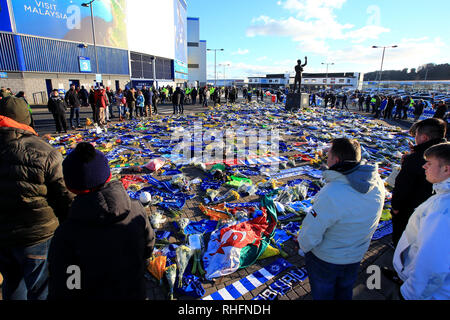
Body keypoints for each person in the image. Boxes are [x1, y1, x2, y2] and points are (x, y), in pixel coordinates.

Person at [47, 142, 155, 300]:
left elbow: (66, 284)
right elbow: (148, 246)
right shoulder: (136, 209)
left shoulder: (67, 234)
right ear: (109, 175)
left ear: (70, 187)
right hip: (134, 290)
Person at [0, 96, 74, 300]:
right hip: (37, 236)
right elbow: (64, 195)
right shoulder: (43, 152)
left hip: (3, 237)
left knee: (12, 282)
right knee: (42, 287)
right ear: (26, 119)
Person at [297, 138, 385, 300]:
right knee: (345, 291)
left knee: (323, 293)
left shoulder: (333, 192)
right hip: (356, 254)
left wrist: (304, 246)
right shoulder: (377, 181)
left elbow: (311, 232)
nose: (326, 157)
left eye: (328, 154)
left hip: (327, 258)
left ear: (336, 160)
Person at [392, 142, 450, 300]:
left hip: (424, 293)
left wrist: (408, 294)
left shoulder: (442, 211)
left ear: (446, 169)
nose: (424, 166)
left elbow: (432, 265)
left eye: (430, 163)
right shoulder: (442, 197)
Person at [390, 118, 447, 247]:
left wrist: (395, 208)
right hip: (431, 215)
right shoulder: (445, 153)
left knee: (404, 238)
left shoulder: (417, 159)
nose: (415, 138)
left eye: (416, 135)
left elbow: (402, 186)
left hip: (411, 210)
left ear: (425, 137)